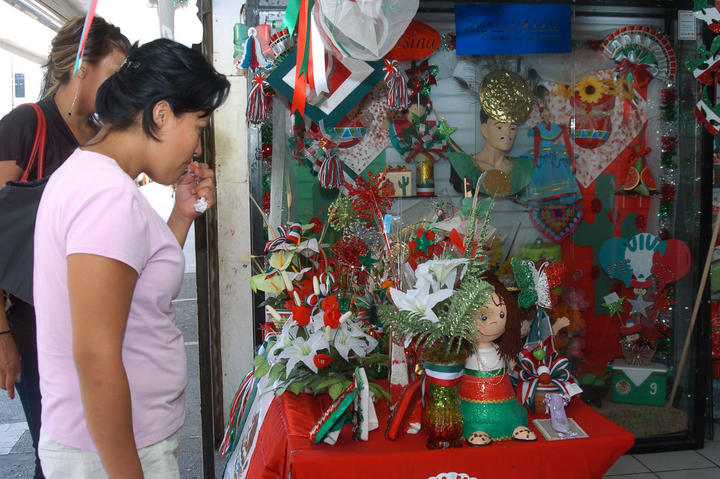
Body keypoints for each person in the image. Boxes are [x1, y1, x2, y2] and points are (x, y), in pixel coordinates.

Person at [32, 38, 229, 478]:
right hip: (112, 454)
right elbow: (96, 357)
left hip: (114, 445)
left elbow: (136, 286)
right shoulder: (107, 196)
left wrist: (181, 216)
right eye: (198, 126)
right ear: (161, 115)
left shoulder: (95, 179)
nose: (197, 149)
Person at [0, 16, 130, 478]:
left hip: (92, 329)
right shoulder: (24, 126)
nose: (121, 87)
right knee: (54, 455)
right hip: (33, 330)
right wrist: (2, 338)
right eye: (115, 72)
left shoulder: (102, 135)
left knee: (88, 451)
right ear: (82, 67)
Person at [459, 273, 536, 445]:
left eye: (502, 315)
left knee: (508, 412)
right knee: (473, 415)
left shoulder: (500, 350)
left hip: (504, 395)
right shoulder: (467, 352)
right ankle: (477, 429)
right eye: (484, 317)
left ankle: (513, 427)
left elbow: (514, 366)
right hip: (471, 399)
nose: (495, 322)